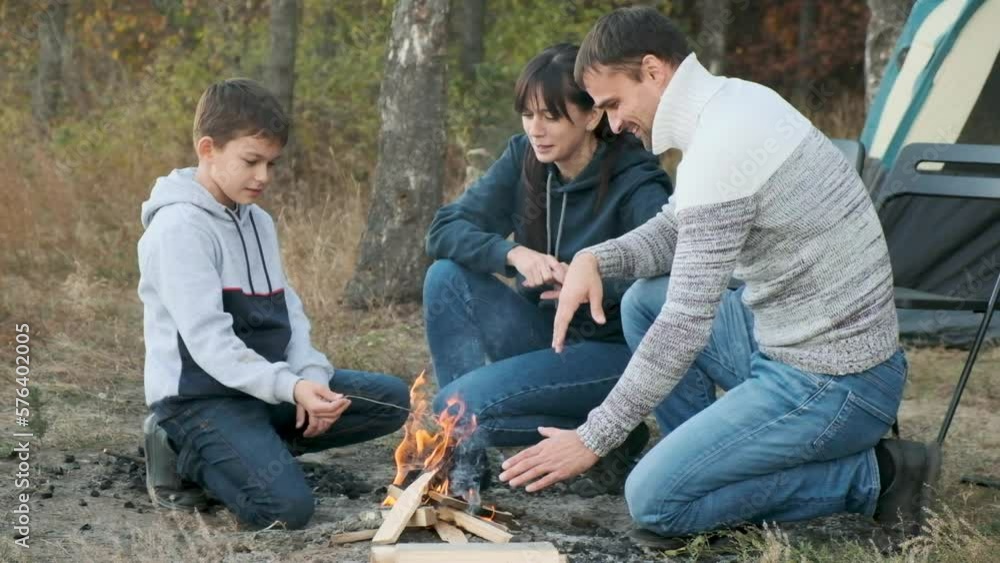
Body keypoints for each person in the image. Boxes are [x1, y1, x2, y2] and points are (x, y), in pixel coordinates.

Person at [498, 7, 940, 545]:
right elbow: (676, 228)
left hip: (837, 383)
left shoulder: (723, 145)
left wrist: (594, 437)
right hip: (789, 345)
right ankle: (703, 465)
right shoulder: (735, 102)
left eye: (614, 104)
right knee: (643, 300)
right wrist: (596, 259)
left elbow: (685, 324)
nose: (613, 125)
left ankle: (877, 475)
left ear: (653, 70)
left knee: (653, 500)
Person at [137, 79, 410, 529]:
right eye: (251, 161)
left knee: (391, 400)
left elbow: (290, 314)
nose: (263, 176)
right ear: (208, 149)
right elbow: (211, 346)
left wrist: (311, 378)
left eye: (271, 163)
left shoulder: (258, 221)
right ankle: (183, 451)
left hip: (264, 389)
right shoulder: (178, 230)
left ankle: (251, 451)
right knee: (286, 511)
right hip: (199, 399)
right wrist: (292, 389)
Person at [423, 44, 673, 497]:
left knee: (454, 408)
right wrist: (513, 254)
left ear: (592, 116)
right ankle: (466, 466)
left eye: (551, 117)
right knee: (446, 276)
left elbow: (675, 267)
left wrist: (595, 283)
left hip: (612, 352)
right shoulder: (525, 159)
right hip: (544, 337)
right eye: (527, 114)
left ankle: (602, 432)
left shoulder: (636, 180)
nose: (535, 130)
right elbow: (444, 229)